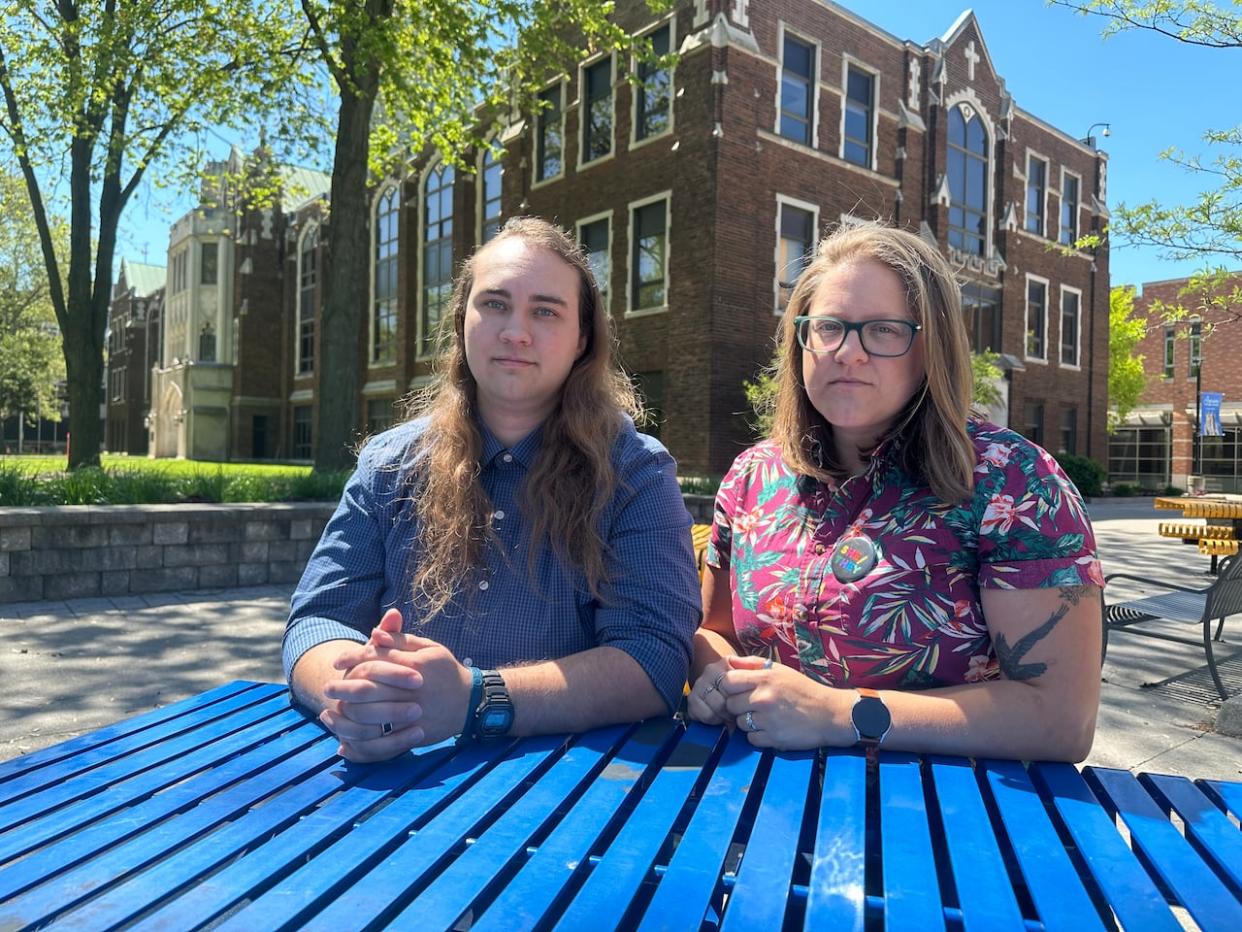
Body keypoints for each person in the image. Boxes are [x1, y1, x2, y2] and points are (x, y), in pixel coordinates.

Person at [285, 217, 701, 762]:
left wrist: (476, 699)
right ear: (462, 323)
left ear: (582, 338)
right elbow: (318, 620)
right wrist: (354, 693)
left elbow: (655, 661)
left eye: (546, 311)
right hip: (394, 776)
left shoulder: (636, 475)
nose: (515, 332)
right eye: (496, 304)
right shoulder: (387, 464)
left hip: (568, 791)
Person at [688, 222, 1104, 762]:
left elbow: (1062, 721)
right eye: (829, 326)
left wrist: (840, 714)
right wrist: (720, 679)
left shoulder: (1015, 483)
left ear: (932, 347)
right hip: (757, 796)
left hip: (944, 815)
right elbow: (712, 633)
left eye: (883, 330)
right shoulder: (751, 475)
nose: (848, 353)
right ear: (801, 340)